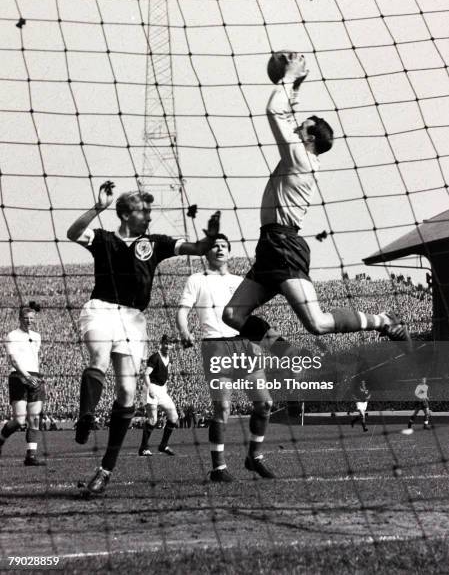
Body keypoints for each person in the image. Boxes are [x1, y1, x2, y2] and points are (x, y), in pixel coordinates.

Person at [222, 52, 410, 358]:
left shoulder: (300, 158)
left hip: (283, 246)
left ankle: (383, 321)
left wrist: (290, 76)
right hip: (269, 245)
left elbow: (274, 111)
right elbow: (284, 114)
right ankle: (290, 354)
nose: (296, 129)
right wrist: (294, 89)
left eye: (302, 128)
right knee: (232, 315)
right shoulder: (301, 156)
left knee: (318, 323)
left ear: (310, 138)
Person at [67, 180, 220, 495]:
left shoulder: (156, 242)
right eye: (143, 211)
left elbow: (196, 249)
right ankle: (86, 416)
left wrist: (209, 236)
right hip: (100, 309)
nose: (149, 216)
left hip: (134, 320)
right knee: (98, 357)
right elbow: (72, 233)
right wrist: (98, 207)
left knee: (126, 392)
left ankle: (104, 471)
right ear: (125, 214)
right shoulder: (103, 239)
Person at [176, 234, 275, 482]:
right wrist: (185, 331)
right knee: (222, 407)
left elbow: (250, 318)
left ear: (229, 253)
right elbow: (183, 311)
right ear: (207, 253)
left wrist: (257, 342)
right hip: (216, 347)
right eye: (215, 246)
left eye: (224, 246)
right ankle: (218, 468)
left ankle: (254, 457)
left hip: (244, 345)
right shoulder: (196, 279)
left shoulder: (241, 282)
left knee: (265, 404)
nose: (219, 249)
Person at [0, 302, 45, 466]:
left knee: (34, 418)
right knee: (19, 420)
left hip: (35, 377)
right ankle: (1, 439)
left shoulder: (37, 336)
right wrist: (25, 375)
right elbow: (13, 359)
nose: (29, 321)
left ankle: (31, 456)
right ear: (20, 318)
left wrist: (33, 376)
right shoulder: (11, 336)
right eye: (26, 318)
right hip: (18, 377)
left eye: (31, 318)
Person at [138, 335, 178, 456]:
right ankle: (143, 448)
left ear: (173, 346)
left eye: (170, 344)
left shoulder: (169, 358)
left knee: (174, 417)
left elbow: (165, 375)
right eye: (165, 343)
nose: (167, 346)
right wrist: (149, 389)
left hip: (161, 390)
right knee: (153, 420)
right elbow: (145, 374)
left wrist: (165, 386)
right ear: (161, 343)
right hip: (151, 388)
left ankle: (163, 445)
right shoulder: (155, 357)